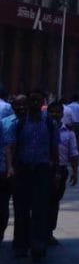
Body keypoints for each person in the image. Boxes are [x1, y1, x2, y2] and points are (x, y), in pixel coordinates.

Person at [8, 89, 58, 261]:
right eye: (32, 100)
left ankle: (38, 244)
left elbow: (54, 148)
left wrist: (56, 170)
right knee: (21, 209)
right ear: (28, 103)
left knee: (40, 209)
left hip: (42, 170)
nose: (35, 104)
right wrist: (11, 167)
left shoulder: (49, 124)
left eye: (38, 100)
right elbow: (11, 147)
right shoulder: (19, 124)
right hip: (23, 170)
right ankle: (21, 245)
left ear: (43, 102)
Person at [46, 101, 79, 246]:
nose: (54, 114)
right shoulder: (43, 130)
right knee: (41, 201)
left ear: (62, 114)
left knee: (54, 202)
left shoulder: (69, 133)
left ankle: (49, 232)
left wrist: (75, 172)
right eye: (51, 111)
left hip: (61, 170)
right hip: (44, 169)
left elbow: (74, 153)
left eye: (57, 112)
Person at [0, 94, 24, 246]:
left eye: (23, 104)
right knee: (3, 206)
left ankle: (21, 241)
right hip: (4, 170)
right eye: (17, 105)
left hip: (26, 169)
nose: (20, 108)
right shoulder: (4, 123)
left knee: (22, 208)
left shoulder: (34, 123)